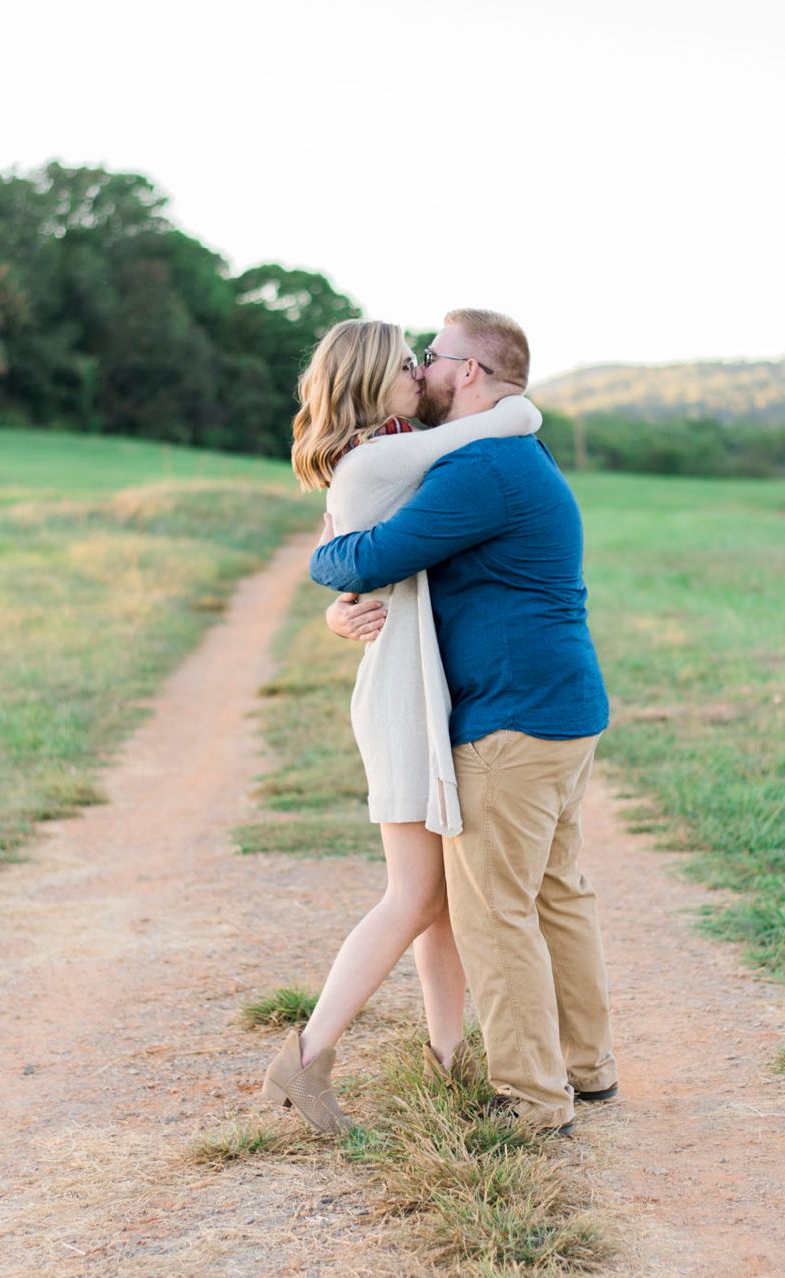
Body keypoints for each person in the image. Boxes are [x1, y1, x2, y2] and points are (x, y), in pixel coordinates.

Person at [312, 309, 616, 1135]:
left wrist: (323, 560)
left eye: (435, 357)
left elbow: (367, 557)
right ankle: (586, 1068)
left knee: (494, 911)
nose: (426, 370)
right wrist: (342, 614)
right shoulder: (518, 453)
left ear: (470, 373)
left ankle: (532, 1098)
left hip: (510, 719)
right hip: (562, 706)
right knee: (558, 894)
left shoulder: (481, 466)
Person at [260, 318, 544, 1135]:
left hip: (415, 685)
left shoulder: (376, 455)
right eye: (409, 364)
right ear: (374, 380)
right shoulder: (383, 459)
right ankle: (307, 1058)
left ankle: (449, 1058)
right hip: (400, 696)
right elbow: (512, 419)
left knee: (443, 901)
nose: (422, 372)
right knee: (415, 894)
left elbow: (340, 556)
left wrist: (335, 609)